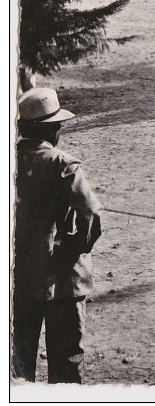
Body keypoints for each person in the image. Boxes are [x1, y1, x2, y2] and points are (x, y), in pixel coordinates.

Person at [13, 88, 103, 383]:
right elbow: (90, 213)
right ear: (51, 130)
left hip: (18, 279)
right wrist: (74, 249)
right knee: (66, 362)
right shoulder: (63, 164)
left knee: (17, 363)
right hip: (63, 281)